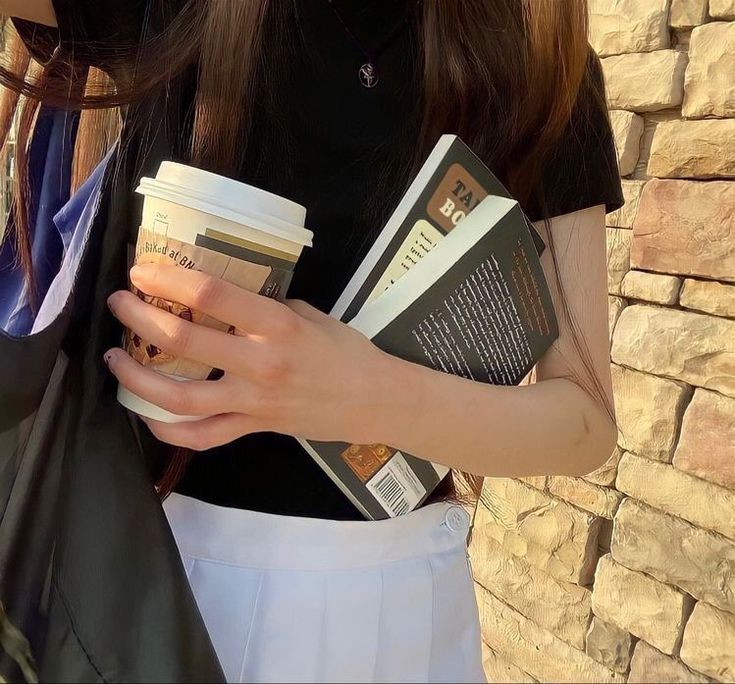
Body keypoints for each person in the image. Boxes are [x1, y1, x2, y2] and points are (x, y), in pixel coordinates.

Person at [0, 1, 624, 682]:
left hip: (391, 611)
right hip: (147, 582)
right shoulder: (181, 13)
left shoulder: (534, 54)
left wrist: (361, 396)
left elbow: (583, 421)